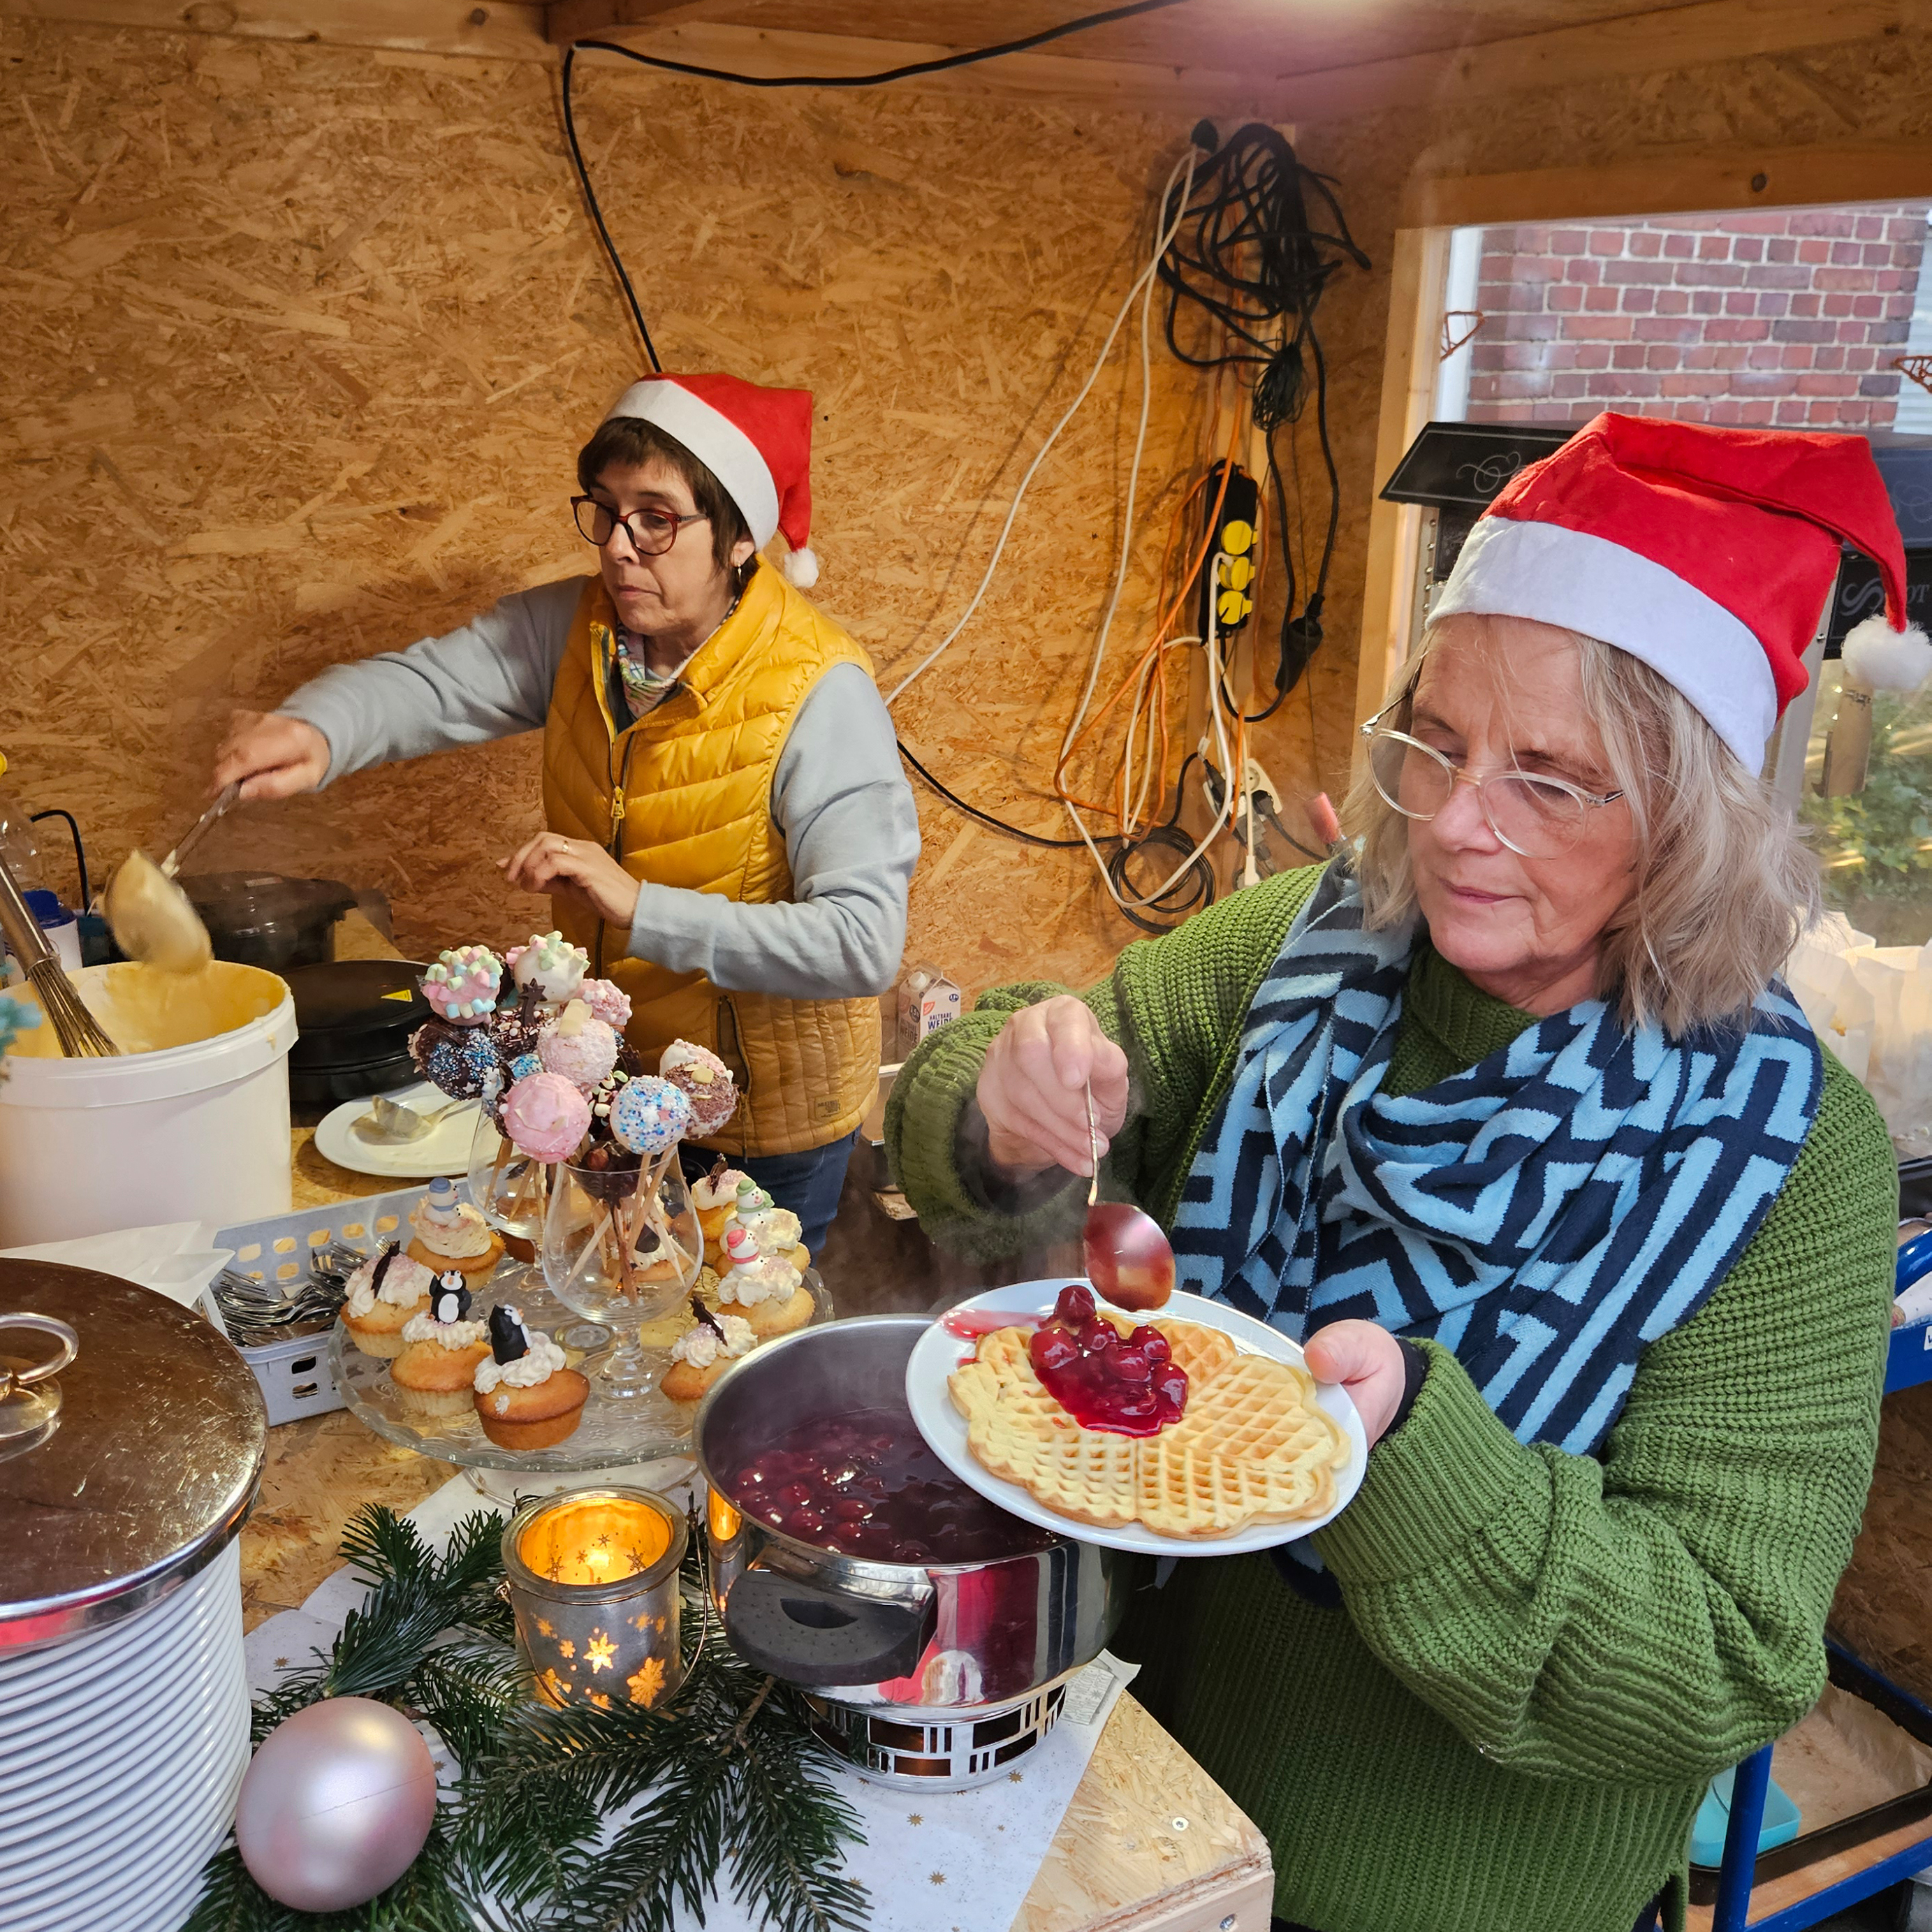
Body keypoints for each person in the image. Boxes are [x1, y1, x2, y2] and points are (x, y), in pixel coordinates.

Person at [886, 414, 1917, 1932]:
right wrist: (1006, 1097)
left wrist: (1405, 1457)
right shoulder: (1316, 943)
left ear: (1690, 816)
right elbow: (988, 1126)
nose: (1450, 823)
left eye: (1549, 779)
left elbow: (1721, 1660)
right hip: (1152, 1814)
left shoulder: (1787, 1161)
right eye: (1433, 739)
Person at [217, 373, 918, 1253]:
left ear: (739, 537)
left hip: (757, 1122)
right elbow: (432, 683)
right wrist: (320, 729)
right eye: (607, 510)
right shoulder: (583, 629)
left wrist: (638, 908)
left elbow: (862, 944)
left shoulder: (821, 695)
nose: (620, 548)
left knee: (725, 1337)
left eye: (657, 519)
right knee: (612, 1319)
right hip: (609, 1084)